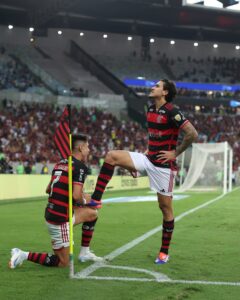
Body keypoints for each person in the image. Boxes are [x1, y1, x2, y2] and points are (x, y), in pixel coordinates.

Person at [89, 79, 198, 264]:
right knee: (111, 156)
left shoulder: (172, 111)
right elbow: (154, 137)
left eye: (157, 86)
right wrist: (143, 159)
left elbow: (192, 134)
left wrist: (175, 153)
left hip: (164, 166)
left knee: (165, 208)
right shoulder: (150, 109)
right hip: (148, 158)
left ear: (164, 92)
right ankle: (96, 199)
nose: (153, 87)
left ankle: (164, 251)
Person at [9, 134, 102, 269]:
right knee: (63, 262)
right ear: (81, 147)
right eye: (87, 146)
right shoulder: (80, 167)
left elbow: (48, 189)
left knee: (92, 214)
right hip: (61, 219)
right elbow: (75, 196)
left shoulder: (60, 163)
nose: (89, 150)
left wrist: (82, 197)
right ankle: (22, 254)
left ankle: (85, 253)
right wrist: (87, 200)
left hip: (52, 212)